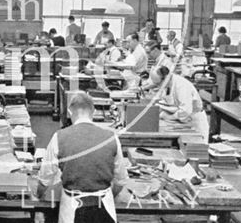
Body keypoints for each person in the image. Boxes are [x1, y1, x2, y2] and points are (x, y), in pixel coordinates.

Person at [37, 92, 130, 223]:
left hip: (72, 206)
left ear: (69, 112)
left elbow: (44, 180)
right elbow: (121, 180)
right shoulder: (111, 137)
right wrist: (107, 194)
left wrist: (38, 197)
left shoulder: (59, 137)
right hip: (104, 206)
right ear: (94, 111)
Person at [151, 66, 209, 141]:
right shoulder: (169, 83)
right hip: (183, 121)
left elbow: (185, 111)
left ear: (166, 77)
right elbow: (169, 101)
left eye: (158, 83)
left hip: (194, 121)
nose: (158, 86)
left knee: (195, 148)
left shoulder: (181, 86)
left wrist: (169, 117)